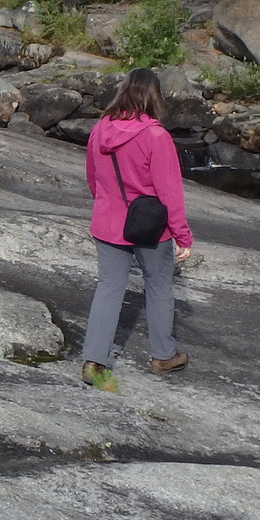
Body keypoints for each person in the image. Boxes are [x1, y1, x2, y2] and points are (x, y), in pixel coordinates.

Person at [79, 67, 192, 392]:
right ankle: (162, 356)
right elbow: (171, 193)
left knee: (109, 288)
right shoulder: (156, 137)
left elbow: (93, 179)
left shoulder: (100, 129)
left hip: (107, 221)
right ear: (154, 96)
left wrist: (107, 205)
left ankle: (93, 362)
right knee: (158, 286)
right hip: (150, 227)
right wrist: (182, 236)